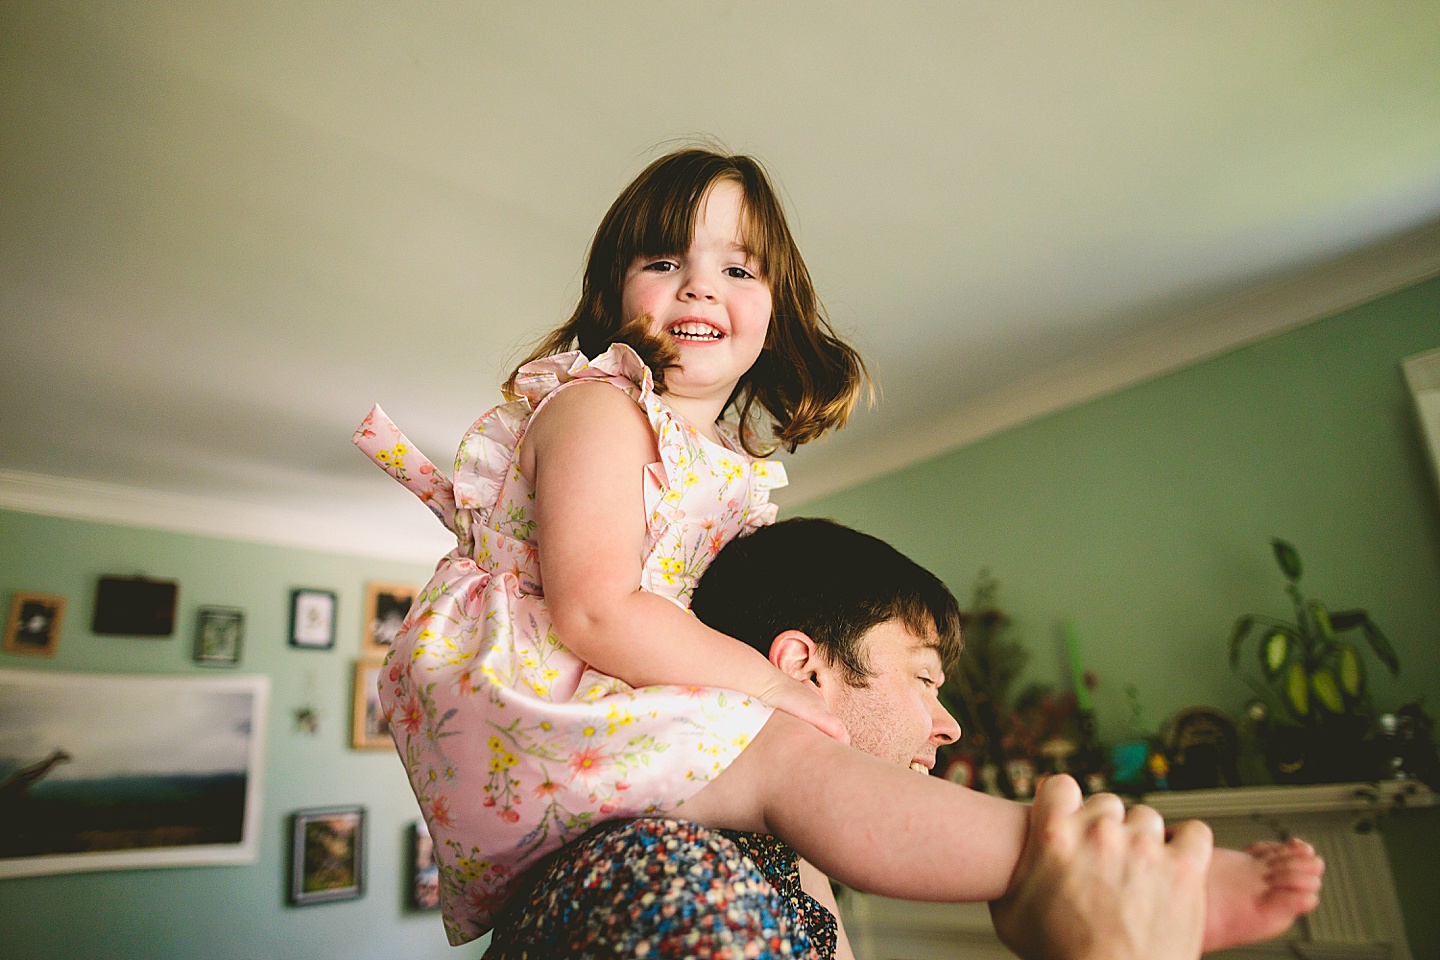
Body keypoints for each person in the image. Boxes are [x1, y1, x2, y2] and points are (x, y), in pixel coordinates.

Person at [355, 149, 1321, 951]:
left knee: (796, 799)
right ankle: (1078, 867)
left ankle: (1047, 873)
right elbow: (596, 610)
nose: (700, 283)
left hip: (593, 700)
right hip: (527, 700)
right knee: (788, 762)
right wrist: (774, 689)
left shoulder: (723, 467)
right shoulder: (597, 406)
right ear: (612, 288)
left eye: (739, 268)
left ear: (775, 306)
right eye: (664, 259)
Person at [485, 518, 1323, 959]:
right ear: (802, 667)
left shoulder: (789, 871)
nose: (950, 722)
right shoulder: (666, 880)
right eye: (924, 676)